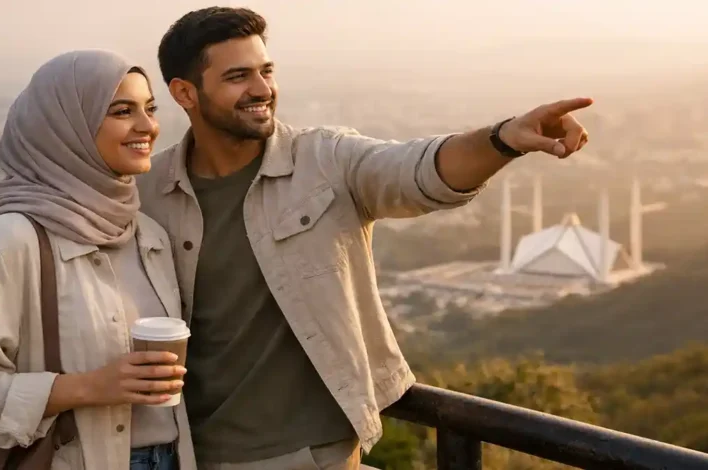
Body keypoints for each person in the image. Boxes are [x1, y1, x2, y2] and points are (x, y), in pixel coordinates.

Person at [136, 7, 592, 470]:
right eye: (238, 76)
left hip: (312, 454)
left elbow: (421, 171)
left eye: (266, 71)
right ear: (185, 92)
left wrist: (503, 139)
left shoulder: (325, 160)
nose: (262, 89)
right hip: (186, 451)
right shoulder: (147, 192)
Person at [0, 50, 197, 470]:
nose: (148, 126)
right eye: (122, 111)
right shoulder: (9, 241)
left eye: (149, 108)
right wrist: (88, 387)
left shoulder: (149, 234)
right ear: (65, 127)